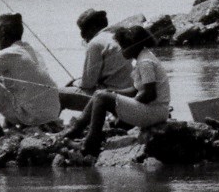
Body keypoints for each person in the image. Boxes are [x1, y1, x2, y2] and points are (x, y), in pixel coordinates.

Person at [62, 26, 170, 156]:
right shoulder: (144, 57)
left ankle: (89, 144)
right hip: (154, 110)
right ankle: (75, 131)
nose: (121, 50)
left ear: (133, 46)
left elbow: (149, 94)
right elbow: (135, 90)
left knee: (102, 97)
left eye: (123, 47)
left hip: (154, 112)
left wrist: (126, 107)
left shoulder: (145, 62)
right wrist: (114, 94)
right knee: (100, 94)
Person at [0, 13, 61, 138]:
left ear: (4, 33)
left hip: (32, 117)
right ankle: (11, 125)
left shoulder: (10, 53)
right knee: (12, 84)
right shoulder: (31, 50)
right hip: (52, 114)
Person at [59, 9, 132, 112]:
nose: (85, 38)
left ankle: (48, 124)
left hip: (110, 98)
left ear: (92, 28)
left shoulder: (96, 43)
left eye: (84, 32)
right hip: (127, 94)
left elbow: (88, 83)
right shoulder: (116, 37)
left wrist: (75, 83)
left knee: (57, 94)